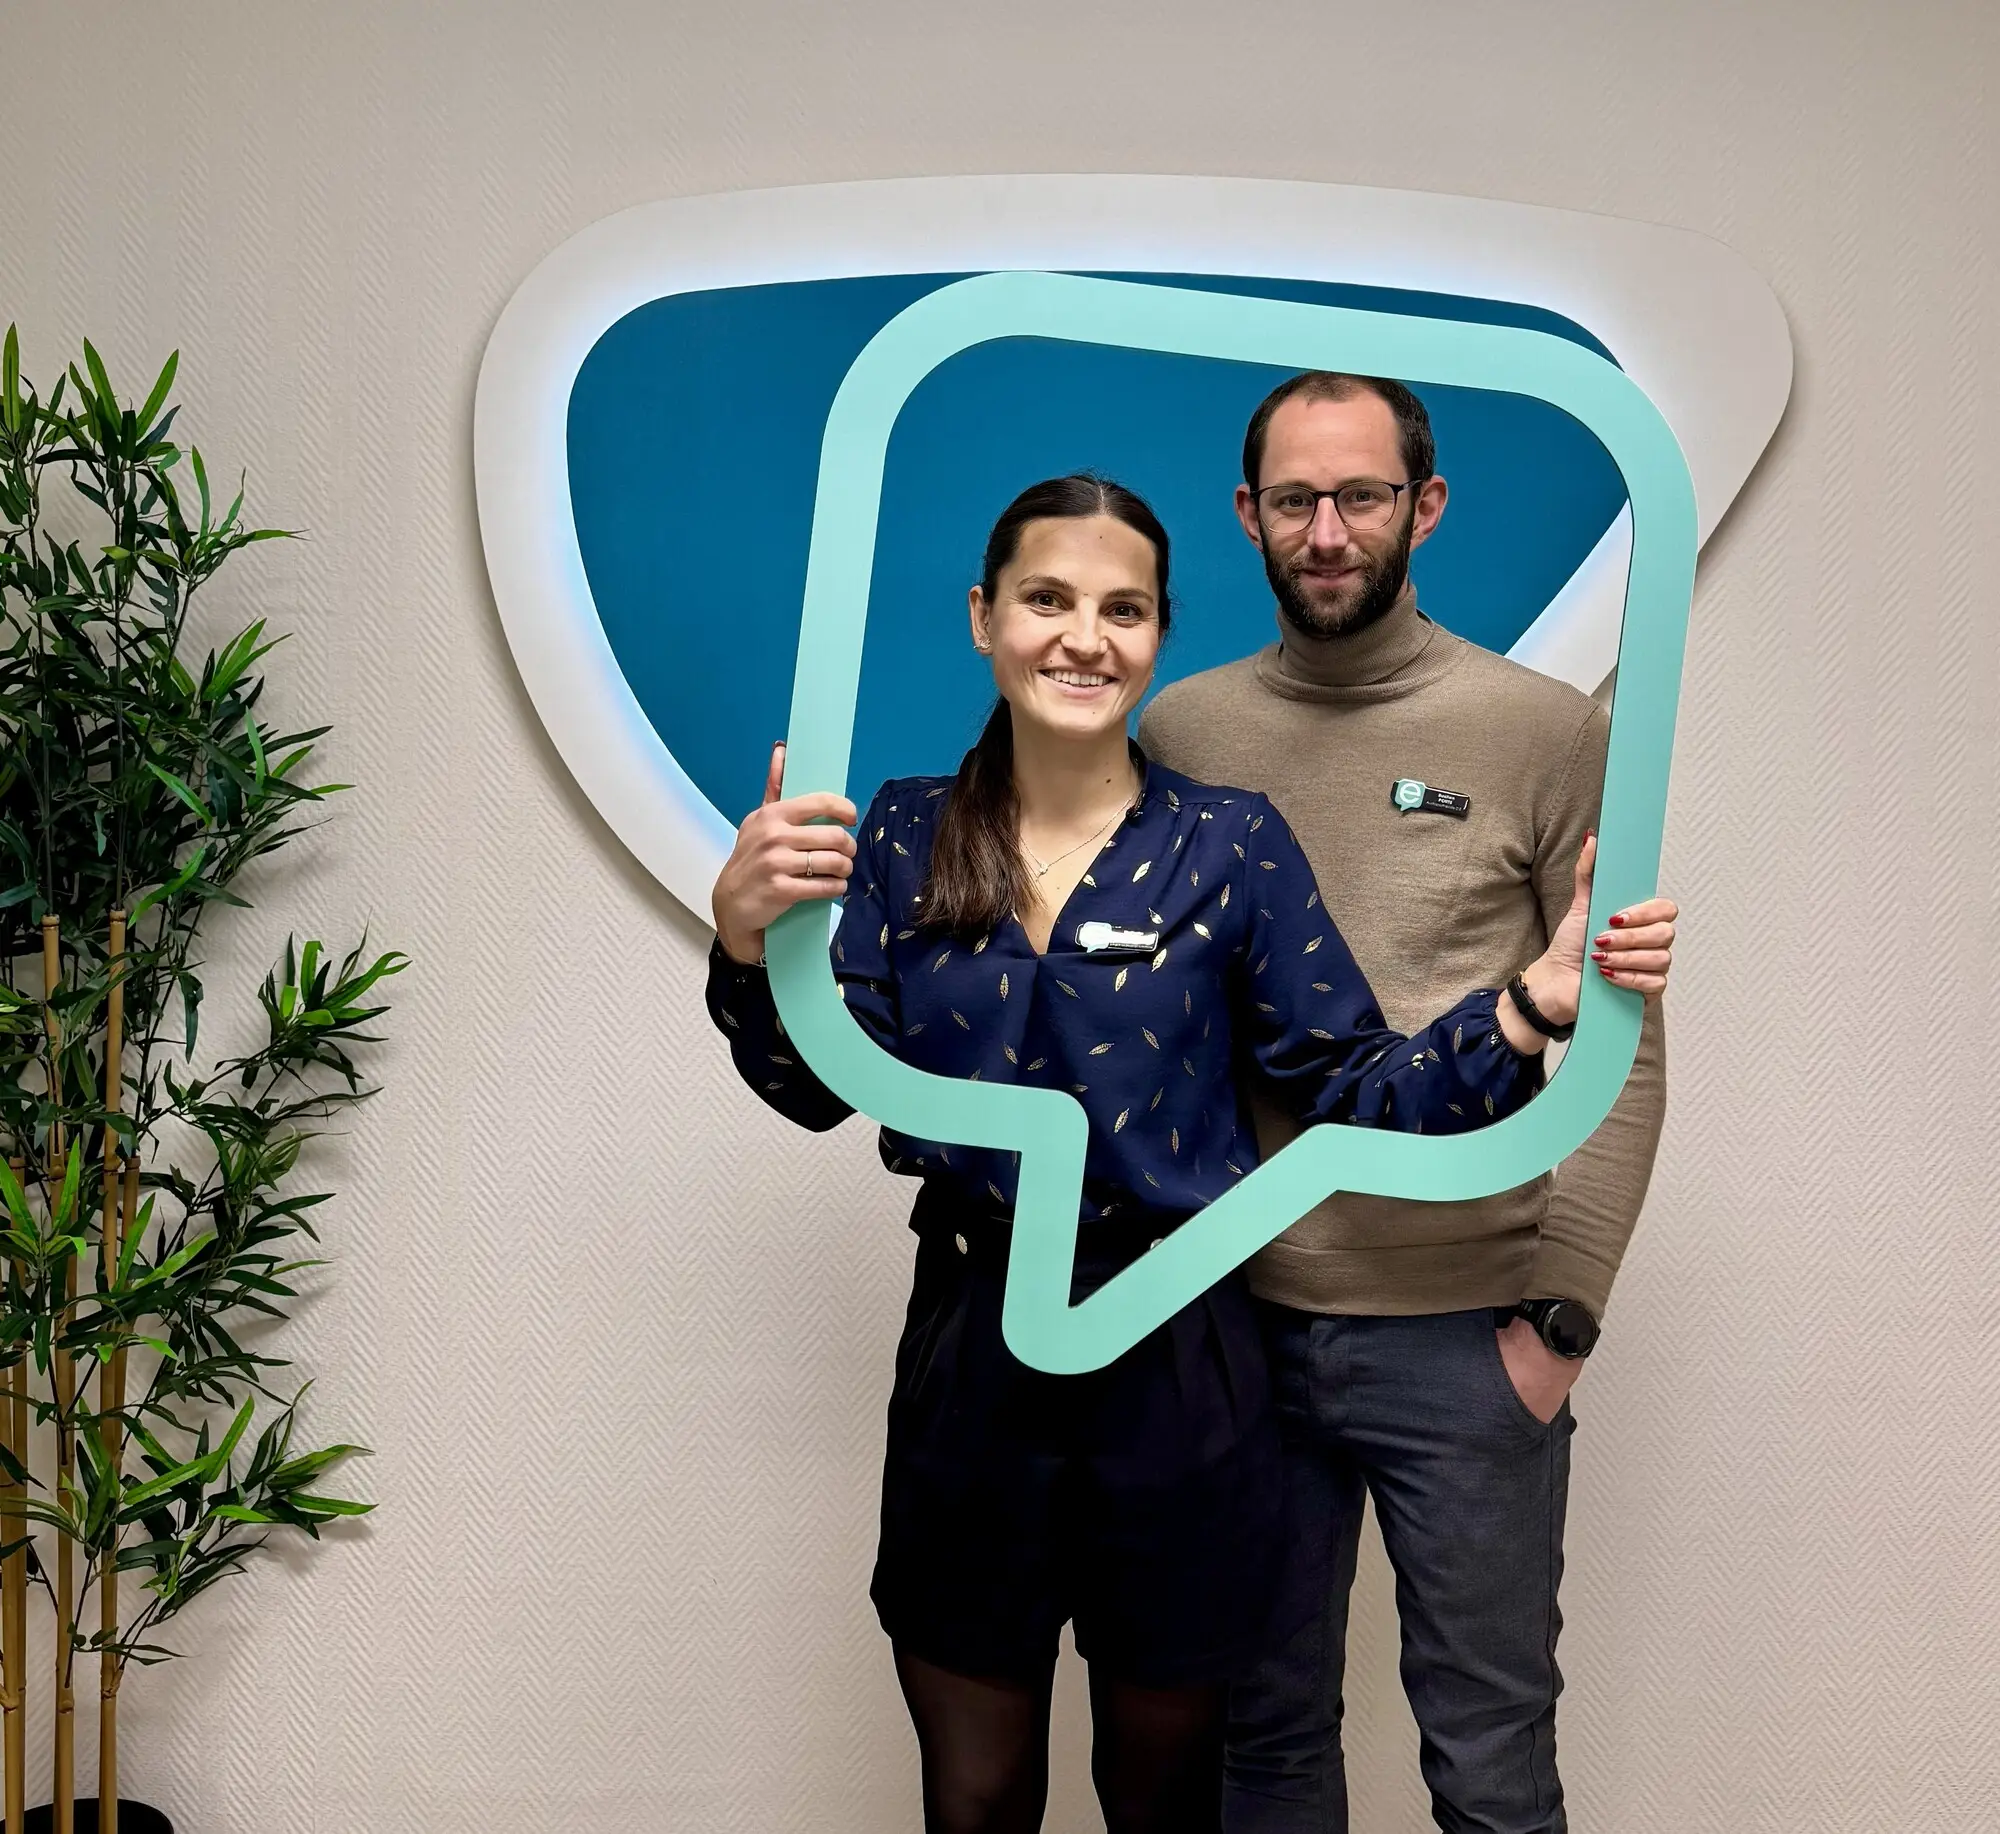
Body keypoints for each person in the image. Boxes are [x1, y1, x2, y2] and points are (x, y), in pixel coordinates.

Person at [704, 474, 1677, 1834]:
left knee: (1168, 1799)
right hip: (974, 1350)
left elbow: (1351, 1094)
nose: (1083, 636)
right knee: (973, 1796)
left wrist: (1527, 1006)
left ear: (1159, 635)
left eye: (1123, 609)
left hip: (1179, 1347)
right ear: (983, 616)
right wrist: (748, 944)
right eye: (1047, 598)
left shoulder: (1230, 844)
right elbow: (814, 1086)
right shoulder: (905, 833)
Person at [1137, 372, 1675, 1834]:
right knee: (1262, 1749)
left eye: (1362, 495)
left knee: (1491, 1763)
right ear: (1247, 515)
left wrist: (1559, 1319)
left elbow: (1620, 1042)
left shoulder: (1544, 730)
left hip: (1465, 1332)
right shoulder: (1179, 732)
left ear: (1423, 507)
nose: (1328, 531)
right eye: (1294, 500)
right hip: (1236, 1328)